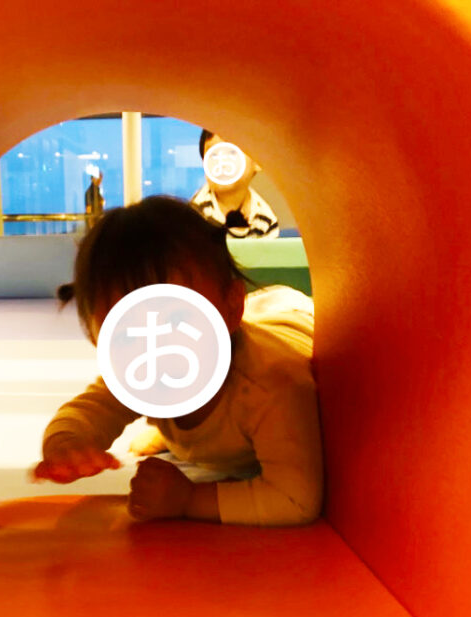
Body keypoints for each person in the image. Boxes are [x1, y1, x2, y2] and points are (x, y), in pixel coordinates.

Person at [33, 196, 322, 527]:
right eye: (126, 334)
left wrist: (189, 499)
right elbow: (86, 412)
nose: (158, 348)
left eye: (179, 320)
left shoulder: (270, 386)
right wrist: (67, 444)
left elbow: (295, 498)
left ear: (230, 309)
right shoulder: (140, 368)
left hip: (291, 318)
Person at [190, 129, 279, 239]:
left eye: (232, 152)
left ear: (258, 161)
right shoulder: (194, 214)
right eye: (213, 155)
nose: (222, 163)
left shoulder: (266, 218)